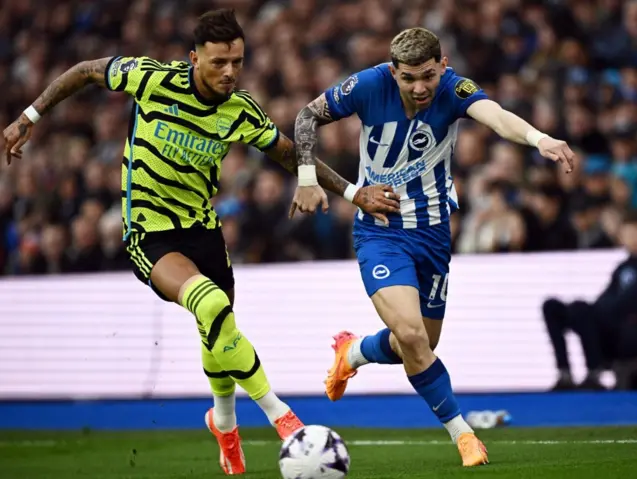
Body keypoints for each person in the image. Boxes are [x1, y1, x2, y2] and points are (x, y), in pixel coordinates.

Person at [2, 9, 399, 476]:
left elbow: (290, 154)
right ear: (194, 58)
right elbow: (87, 70)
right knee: (210, 306)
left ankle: (224, 425)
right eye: (218, 63)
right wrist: (30, 115)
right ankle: (284, 420)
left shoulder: (241, 110)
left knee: (217, 329)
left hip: (202, 232)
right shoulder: (151, 79)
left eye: (237, 62)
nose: (229, 72)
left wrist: (353, 193)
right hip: (149, 232)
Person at [292, 27, 575, 467]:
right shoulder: (368, 86)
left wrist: (542, 140)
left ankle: (353, 352)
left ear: (441, 65)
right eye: (409, 78)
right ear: (393, 72)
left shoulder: (455, 89)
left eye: (427, 75)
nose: (420, 87)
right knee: (410, 335)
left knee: (422, 343)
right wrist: (309, 178)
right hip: (381, 232)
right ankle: (463, 435)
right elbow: (306, 117)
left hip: (434, 234)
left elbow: (497, 116)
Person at [542, 209, 637, 391]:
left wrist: (591, 311)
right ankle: (564, 372)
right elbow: (608, 297)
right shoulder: (622, 268)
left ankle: (594, 372)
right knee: (552, 307)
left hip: (627, 329)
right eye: (628, 233)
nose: (633, 238)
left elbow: (629, 300)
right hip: (607, 322)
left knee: (582, 309)